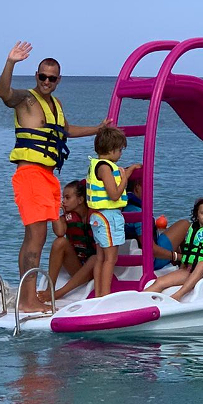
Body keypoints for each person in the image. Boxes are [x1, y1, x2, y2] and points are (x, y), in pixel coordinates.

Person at [0, 41, 108, 313]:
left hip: (47, 176)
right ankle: (28, 300)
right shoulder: (26, 100)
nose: (46, 81)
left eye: (52, 78)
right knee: (35, 236)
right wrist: (10, 62)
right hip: (30, 174)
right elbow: (3, 93)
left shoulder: (55, 104)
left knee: (45, 235)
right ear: (36, 76)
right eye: (42, 76)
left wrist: (98, 129)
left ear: (58, 80)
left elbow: (67, 131)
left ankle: (29, 296)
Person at [86, 126, 141, 296]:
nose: (120, 154)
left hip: (98, 216)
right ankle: (104, 294)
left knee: (101, 257)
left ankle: (99, 294)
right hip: (107, 216)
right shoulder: (105, 168)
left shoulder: (97, 165)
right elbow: (114, 194)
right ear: (111, 150)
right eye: (119, 150)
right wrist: (126, 176)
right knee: (111, 258)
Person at [145, 198, 203, 302]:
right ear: (197, 215)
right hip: (189, 270)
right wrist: (182, 265)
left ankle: (178, 295)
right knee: (159, 282)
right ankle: (138, 301)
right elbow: (188, 252)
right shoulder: (192, 230)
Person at [37, 180, 97, 302]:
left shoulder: (95, 215)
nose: (63, 201)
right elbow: (60, 232)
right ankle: (50, 288)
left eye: (67, 197)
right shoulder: (67, 217)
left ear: (80, 200)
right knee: (59, 242)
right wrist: (54, 210)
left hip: (95, 268)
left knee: (95, 258)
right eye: (63, 197)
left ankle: (59, 293)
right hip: (77, 266)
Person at [124, 167, 190, 269]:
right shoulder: (138, 213)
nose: (150, 189)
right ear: (137, 187)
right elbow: (152, 249)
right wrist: (178, 256)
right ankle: (185, 262)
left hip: (129, 254)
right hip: (151, 261)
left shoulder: (123, 207)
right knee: (184, 224)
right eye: (147, 186)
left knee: (171, 234)